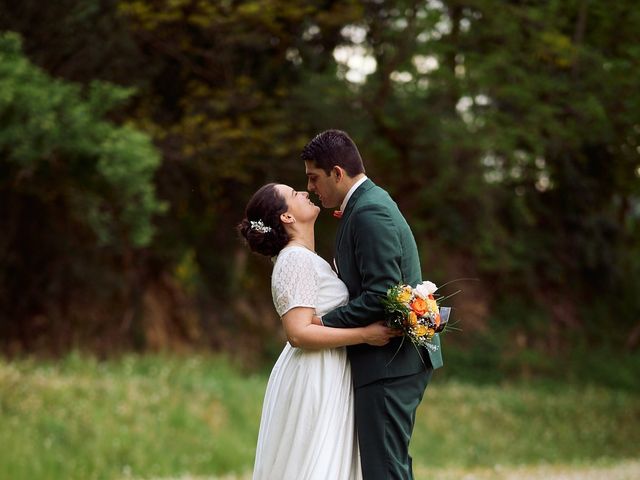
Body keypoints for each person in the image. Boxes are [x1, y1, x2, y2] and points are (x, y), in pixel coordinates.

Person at [302, 129, 444, 479]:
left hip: (390, 362)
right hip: (388, 362)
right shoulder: (366, 205)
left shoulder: (369, 212)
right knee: (388, 466)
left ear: (337, 173)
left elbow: (380, 295)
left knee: (383, 470)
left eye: (313, 178)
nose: (309, 188)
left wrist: (319, 324)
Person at [238, 182, 399, 480]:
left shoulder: (304, 258)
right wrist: (365, 334)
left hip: (328, 367)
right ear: (286, 217)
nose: (304, 192)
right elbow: (298, 334)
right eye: (294, 194)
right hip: (315, 372)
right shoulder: (295, 259)